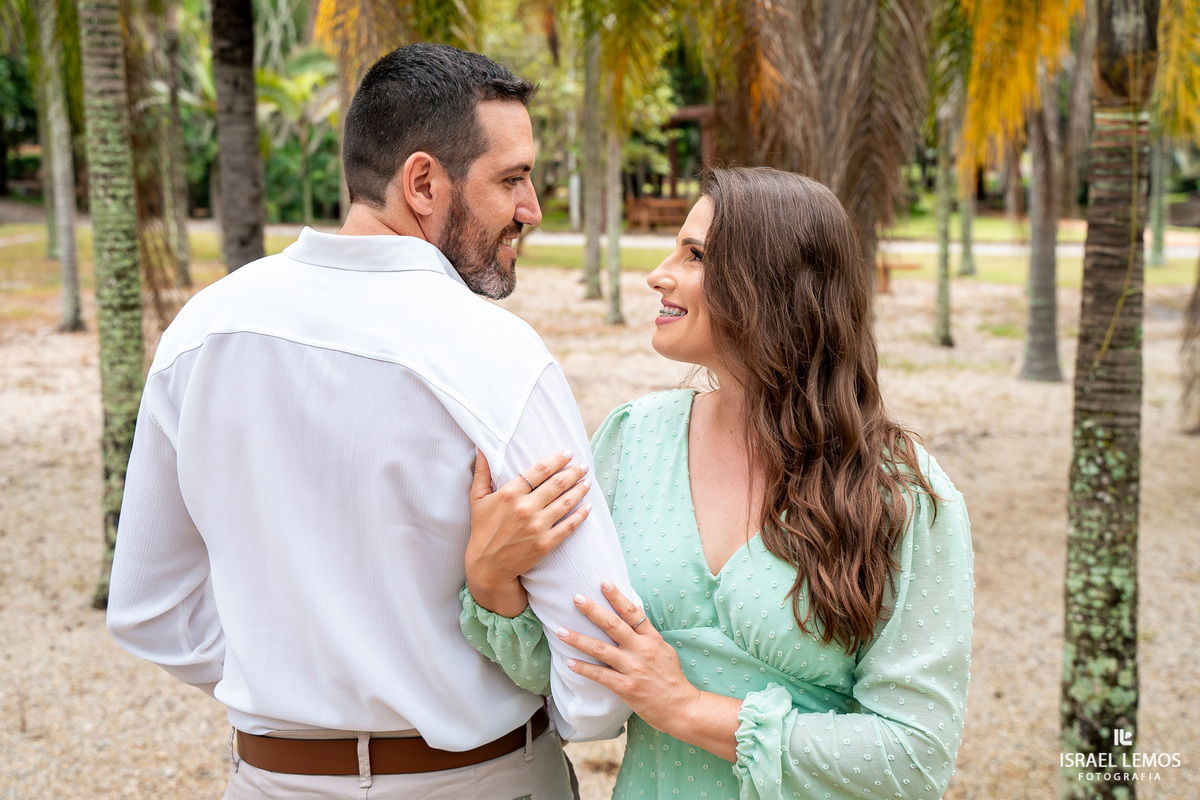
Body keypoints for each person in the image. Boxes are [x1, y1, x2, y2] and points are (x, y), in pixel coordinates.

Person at [106, 43, 636, 799]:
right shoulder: (496, 356)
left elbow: (148, 610)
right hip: (478, 780)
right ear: (422, 182)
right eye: (512, 178)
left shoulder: (201, 334)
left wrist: (296, 686)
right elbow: (600, 674)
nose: (532, 209)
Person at [461, 167, 974, 800]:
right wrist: (492, 579)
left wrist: (687, 709)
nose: (659, 273)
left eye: (695, 254)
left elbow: (915, 756)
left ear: (775, 284)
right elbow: (572, 665)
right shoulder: (635, 440)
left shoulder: (904, 493)